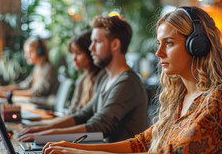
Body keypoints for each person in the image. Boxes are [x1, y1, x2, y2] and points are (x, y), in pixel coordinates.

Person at [42, 6, 222, 154]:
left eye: (169, 43)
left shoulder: (218, 102)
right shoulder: (182, 97)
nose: (159, 53)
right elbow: (141, 143)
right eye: (159, 44)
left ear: (198, 46)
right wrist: (77, 149)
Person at [18, 15, 149, 143]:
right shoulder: (105, 79)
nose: (91, 48)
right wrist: (43, 128)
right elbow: (83, 114)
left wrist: (46, 135)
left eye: (97, 42)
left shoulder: (127, 82)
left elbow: (99, 126)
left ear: (115, 44)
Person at [0, 37, 59, 106]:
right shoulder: (37, 68)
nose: (26, 56)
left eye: (30, 52)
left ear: (40, 51)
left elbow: (36, 93)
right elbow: (23, 85)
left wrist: (7, 94)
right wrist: (1, 89)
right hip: (35, 102)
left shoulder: (48, 68)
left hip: (44, 105)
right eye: (26, 52)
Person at [67, 30, 105, 114]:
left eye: (78, 53)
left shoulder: (101, 78)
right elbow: (73, 109)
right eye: (73, 53)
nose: (74, 58)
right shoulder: (83, 78)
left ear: (90, 53)